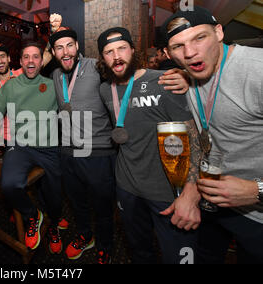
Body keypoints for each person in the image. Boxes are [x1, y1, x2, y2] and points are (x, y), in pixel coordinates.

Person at [162, 6, 263, 263]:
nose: (190, 52)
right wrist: (191, 189)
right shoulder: (192, 75)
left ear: (218, 32)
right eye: (178, 46)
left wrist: (257, 190)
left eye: (199, 38)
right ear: (168, 53)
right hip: (212, 203)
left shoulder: (257, 71)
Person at [97, 27, 202, 264]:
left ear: (133, 51)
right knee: (139, 250)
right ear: (102, 58)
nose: (116, 56)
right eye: (108, 52)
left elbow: (193, 136)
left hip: (167, 191)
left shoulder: (164, 82)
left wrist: (191, 189)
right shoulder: (105, 90)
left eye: (122, 48)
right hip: (127, 186)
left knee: (180, 256)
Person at [0, 41, 63, 253]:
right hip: (20, 146)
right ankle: (33, 215)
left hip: (49, 146)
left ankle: (53, 224)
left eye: (35, 57)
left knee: (55, 195)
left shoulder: (52, 84)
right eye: (26, 57)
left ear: (41, 61)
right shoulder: (10, 85)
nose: (30, 61)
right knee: (9, 184)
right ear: (20, 62)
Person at [49, 28, 117, 264]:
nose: (65, 51)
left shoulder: (96, 67)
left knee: (102, 206)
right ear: (54, 52)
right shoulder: (56, 75)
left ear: (77, 46)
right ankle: (85, 235)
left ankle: (106, 244)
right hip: (67, 152)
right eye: (59, 47)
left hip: (98, 151)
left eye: (69, 45)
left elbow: (125, 75)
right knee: (77, 203)